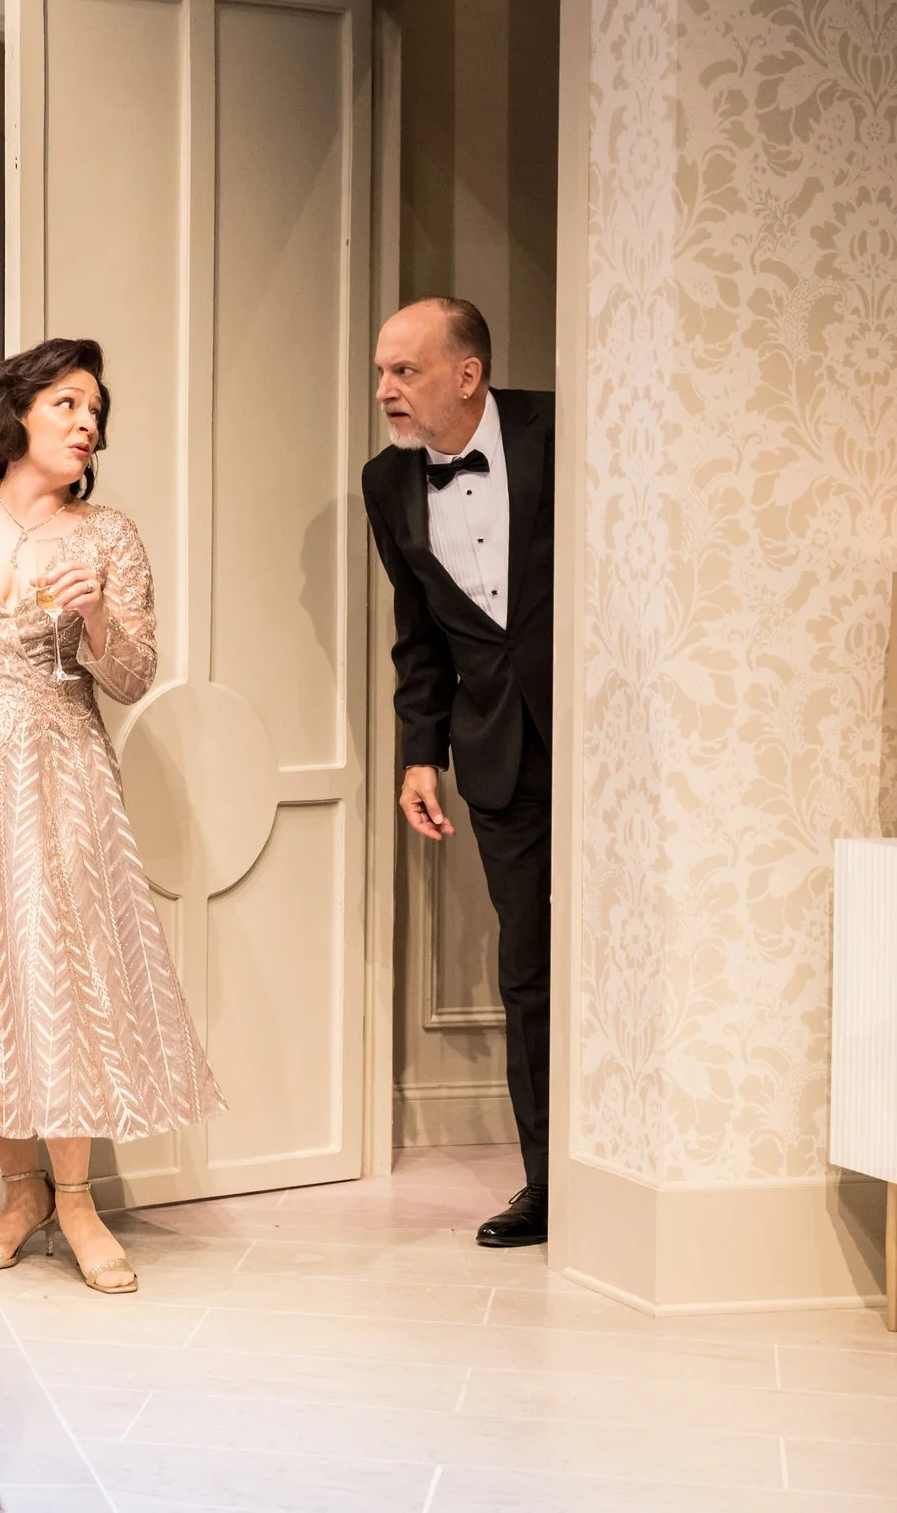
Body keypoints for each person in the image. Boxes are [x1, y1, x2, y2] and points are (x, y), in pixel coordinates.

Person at [0, 338, 222, 1293]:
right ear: (18, 412)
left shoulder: (110, 535)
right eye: (67, 402)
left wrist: (98, 616)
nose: (87, 422)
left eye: (95, 408)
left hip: (59, 767)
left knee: (61, 966)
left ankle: (78, 1200)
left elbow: (134, 674)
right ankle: (17, 1192)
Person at [362, 297, 554, 1248]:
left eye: (406, 371)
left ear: (467, 374)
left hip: (612, 744)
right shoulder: (384, 483)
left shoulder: (563, 427)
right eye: (382, 373)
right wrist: (418, 754)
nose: (387, 390)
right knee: (528, 966)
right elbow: (420, 637)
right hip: (496, 754)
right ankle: (549, 1181)